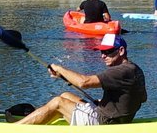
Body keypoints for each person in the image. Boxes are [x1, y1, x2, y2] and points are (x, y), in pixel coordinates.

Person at [16, 33, 147, 126]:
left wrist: (60, 69)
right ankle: (41, 118)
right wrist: (108, 103)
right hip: (111, 115)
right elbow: (142, 98)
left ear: (121, 50)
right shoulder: (135, 69)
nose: (103, 56)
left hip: (104, 122)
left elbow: (84, 82)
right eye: (101, 51)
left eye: (107, 51)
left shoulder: (120, 71)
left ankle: (15, 129)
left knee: (58, 102)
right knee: (65, 95)